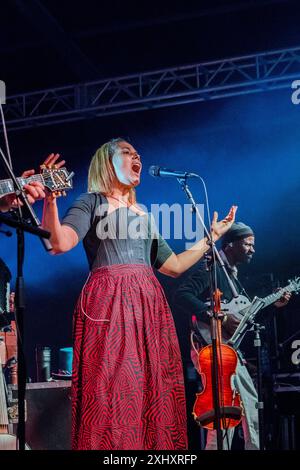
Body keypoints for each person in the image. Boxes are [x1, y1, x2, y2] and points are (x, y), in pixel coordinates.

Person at [41, 138, 237, 450]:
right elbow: (58, 243)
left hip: (148, 305)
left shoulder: (143, 214)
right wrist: (50, 200)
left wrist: (210, 238)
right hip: (110, 303)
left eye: (138, 154)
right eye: (128, 152)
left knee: (152, 388)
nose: (137, 158)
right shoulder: (91, 202)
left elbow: (172, 266)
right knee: (114, 389)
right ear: (108, 162)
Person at [175, 222, 291, 450]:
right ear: (229, 245)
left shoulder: (231, 277)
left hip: (228, 348)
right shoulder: (212, 269)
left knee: (245, 400)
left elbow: (245, 322)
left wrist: (275, 305)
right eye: (247, 244)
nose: (252, 250)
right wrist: (218, 317)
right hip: (210, 345)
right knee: (225, 406)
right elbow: (181, 295)